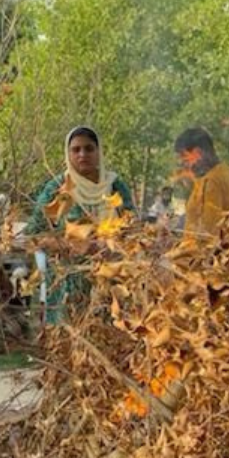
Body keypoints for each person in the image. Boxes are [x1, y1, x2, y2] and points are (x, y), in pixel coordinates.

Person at [27, 126, 135, 325]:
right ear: (68, 154)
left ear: (98, 151)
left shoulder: (115, 185)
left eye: (89, 148)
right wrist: (70, 245)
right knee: (69, 345)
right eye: (76, 150)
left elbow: (133, 230)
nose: (82, 154)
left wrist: (110, 245)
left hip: (109, 282)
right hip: (66, 285)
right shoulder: (58, 188)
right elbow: (33, 236)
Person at [175, 127, 229, 239]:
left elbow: (207, 236)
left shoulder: (211, 181)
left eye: (184, 156)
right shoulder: (228, 172)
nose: (183, 162)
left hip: (219, 254)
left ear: (198, 153)